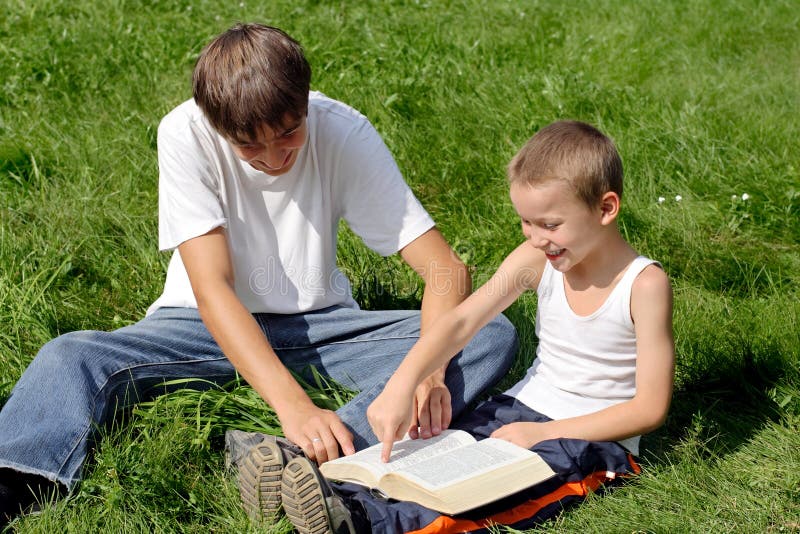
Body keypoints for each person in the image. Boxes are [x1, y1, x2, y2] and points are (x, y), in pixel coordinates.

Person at [0, 23, 518, 525]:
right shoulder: (184, 133)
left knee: (487, 333)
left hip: (321, 327)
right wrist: (294, 406)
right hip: (202, 325)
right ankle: (16, 478)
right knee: (70, 355)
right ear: (215, 124)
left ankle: (298, 461)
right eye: (249, 145)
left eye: (290, 133)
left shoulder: (344, 132)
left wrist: (426, 370)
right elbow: (213, 289)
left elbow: (445, 270)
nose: (273, 158)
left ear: (307, 101)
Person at [273, 120, 675, 533]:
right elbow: (462, 321)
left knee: (492, 492)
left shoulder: (643, 285)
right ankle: (332, 491)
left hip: (593, 437)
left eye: (550, 225)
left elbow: (649, 410)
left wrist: (543, 434)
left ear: (606, 208)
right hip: (518, 408)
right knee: (435, 455)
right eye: (526, 223)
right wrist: (403, 383)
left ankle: (362, 522)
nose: (536, 238)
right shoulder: (537, 258)